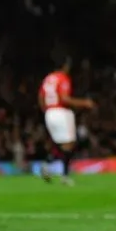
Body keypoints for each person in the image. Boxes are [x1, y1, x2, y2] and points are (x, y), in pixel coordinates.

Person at [39, 57, 96, 186]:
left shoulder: (48, 79)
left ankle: (51, 166)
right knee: (69, 143)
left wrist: (46, 110)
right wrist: (84, 103)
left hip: (49, 112)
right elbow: (65, 98)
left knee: (61, 144)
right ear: (65, 66)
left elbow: (41, 97)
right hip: (61, 111)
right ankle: (60, 173)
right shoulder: (63, 78)